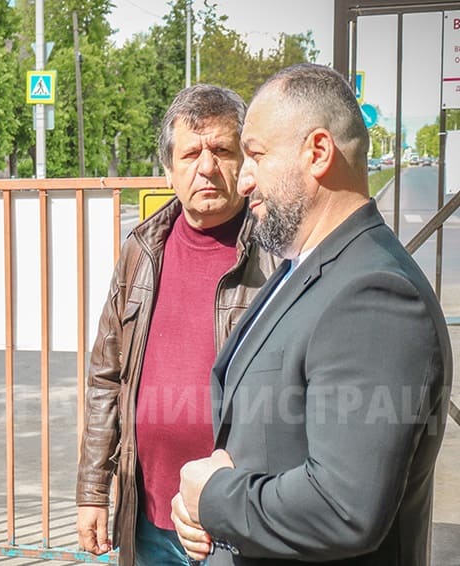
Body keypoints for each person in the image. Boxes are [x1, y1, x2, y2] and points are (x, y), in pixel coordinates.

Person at [171, 63, 452, 565]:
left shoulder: (375, 294)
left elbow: (341, 507)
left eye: (256, 154)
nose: (244, 180)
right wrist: (203, 508)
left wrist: (213, 498)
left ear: (318, 152)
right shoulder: (302, 267)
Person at [76, 84, 278, 565]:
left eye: (221, 150)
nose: (206, 167)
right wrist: (92, 490)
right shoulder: (141, 250)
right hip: (150, 516)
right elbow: (106, 377)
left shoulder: (276, 254)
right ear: (168, 170)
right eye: (190, 154)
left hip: (237, 518)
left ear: (245, 161)